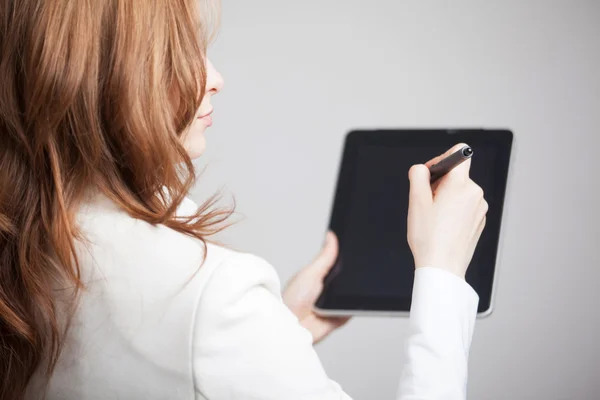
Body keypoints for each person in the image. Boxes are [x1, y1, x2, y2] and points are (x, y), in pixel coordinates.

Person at [0, 1, 487, 399]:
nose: (216, 78)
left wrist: (279, 326)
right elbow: (190, 328)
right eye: (180, 53)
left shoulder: (25, 240)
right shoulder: (212, 293)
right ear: (104, 77)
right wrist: (442, 276)